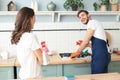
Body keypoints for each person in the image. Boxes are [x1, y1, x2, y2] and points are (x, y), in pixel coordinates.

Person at [70, 10, 111, 74]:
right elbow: (97, 45)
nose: (81, 18)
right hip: (102, 54)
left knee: (97, 77)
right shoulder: (94, 23)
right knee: (101, 77)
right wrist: (87, 45)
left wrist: (78, 51)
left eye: (83, 15)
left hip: (100, 55)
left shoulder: (92, 22)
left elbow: (86, 41)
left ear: (88, 15)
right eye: (80, 17)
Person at [11, 7, 43, 79]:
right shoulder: (30, 37)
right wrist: (44, 51)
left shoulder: (20, 36)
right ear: (30, 19)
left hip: (24, 76)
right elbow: (42, 60)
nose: (35, 20)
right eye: (34, 17)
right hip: (33, 77)